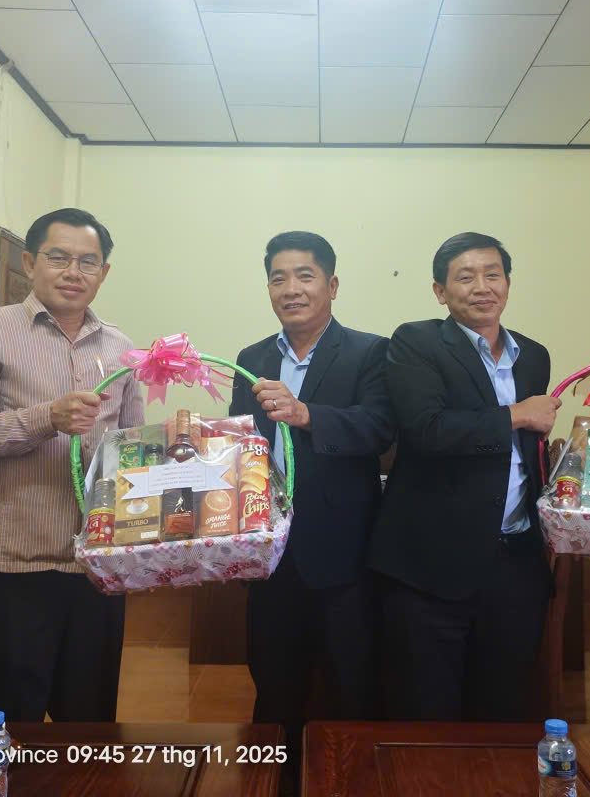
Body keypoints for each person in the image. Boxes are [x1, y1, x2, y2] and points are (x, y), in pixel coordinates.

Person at [0, 208, 142, 722]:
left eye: (88, 262)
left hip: (96, 566)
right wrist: (46, 418)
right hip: (14, 563)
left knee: (89, 726)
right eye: (59, 257)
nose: (73, 272)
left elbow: (131, 455)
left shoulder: (122, 348)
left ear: (104, 272)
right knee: (8, 726)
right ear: (30, 263)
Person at [368, 232, 560, 720]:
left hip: (514, 563)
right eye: (465, 277)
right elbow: (426, 429)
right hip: (430, 566)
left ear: (508, 283)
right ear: (440, 291)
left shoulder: (533, 355)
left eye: (492, 274)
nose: (482, 287)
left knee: (502, 707)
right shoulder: (416, 342)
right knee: (425, 712)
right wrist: (517, 413)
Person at [229, 231, 393, 776]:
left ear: (332, 285)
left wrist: (307, 415)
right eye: (278, 278)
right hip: (269, 555)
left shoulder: (371, 351)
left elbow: (380, 428)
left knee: (352, 687)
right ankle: (274, 782)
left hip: (344, 554)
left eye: (305, 276)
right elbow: (241, 446)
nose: (291, 289)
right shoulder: (252, 358)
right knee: (274, 687)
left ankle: (351, 783)